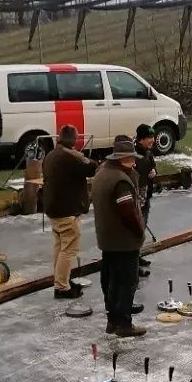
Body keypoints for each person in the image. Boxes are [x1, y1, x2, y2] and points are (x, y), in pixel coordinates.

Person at [92, 136, 146, 337]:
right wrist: (139, 230)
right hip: (123, 240)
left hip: (107, 238)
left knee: (110, 280)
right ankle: (124, 323)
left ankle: (112, 320)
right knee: (126, 281)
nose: (134, 162)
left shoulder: (102, 173)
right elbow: (127, 212)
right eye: (131, 159)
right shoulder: (120, 180)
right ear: (123, 158)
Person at [41, 124, 97, 299]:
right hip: (67, 210)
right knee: (69, 249)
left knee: (59, 246)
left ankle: (61, 279)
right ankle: (62, 287)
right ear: (74, 139)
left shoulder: (51, 155)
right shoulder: (70, 156)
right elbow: (92, 167)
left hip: (53, 208)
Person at [134, 124, 158, 273]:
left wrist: (154, 170)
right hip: (137, 196)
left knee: (141, 229)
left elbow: (152, 165)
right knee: (135, 230)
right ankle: (132, 262)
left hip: (146, 194)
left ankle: (137, 255)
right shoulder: (134, 154)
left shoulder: (148, 152)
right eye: (149, 138)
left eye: (153, 137)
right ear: (141, 139)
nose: (152, 140)